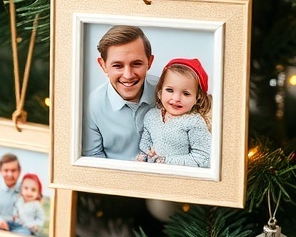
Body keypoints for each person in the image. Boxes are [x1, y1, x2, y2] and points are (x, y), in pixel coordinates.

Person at [82, 25, 157, 159]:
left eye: (136, 64)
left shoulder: (167, 92)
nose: (128, 75)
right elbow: (93, 158)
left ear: (149, 62)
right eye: (118, 66)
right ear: (103, 65)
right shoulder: (90, 105)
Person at [137, 58, 212, 167]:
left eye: (186, 93)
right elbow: (145, 142)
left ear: (197, 98)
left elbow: (202, 157)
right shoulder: (151, 116)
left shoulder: (194, 122)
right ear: (160, 92)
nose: (176, 98)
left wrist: (165, 161)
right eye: (170, 90)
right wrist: (147, 153)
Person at [0, 152, 24, 231]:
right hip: (1, 224)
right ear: (0, 170)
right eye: (6, 170)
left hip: (20, 226)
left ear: (19, 171)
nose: (10, 174)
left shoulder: (24, 188)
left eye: (13, 170)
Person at [12, 172, 45, 237]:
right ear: (21, 189)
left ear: (38, 193)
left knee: (22, 232)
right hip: (17, 223)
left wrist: (35, 225)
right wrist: (15, 215)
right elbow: (16, 209)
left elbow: (41, 219)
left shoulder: (36, 205)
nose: (29, 192)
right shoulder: (20, 200)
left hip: (28, 228)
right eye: (26, 188)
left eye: (33, 190)